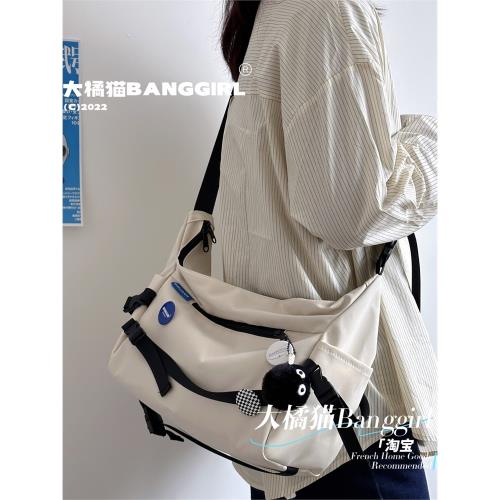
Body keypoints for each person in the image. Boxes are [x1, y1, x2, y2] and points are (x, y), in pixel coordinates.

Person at [217, 0, 437, 499]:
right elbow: (354, 212)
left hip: (291, 413)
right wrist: (433, 146)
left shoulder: (275, 12)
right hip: (345, 417)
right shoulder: (326, 9)